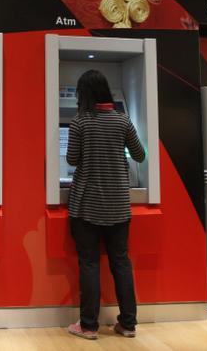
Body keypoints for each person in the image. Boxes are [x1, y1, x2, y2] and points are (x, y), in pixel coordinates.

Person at [65, 70, 145, 340]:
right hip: (118, 206)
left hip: (87, 206)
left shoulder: (79, 122)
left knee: (89, 264)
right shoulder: (123, 120)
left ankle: (88, 326)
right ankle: (128, 324)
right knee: (121, 262)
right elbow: (139, 155)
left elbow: (72, 159)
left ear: (84, 94)